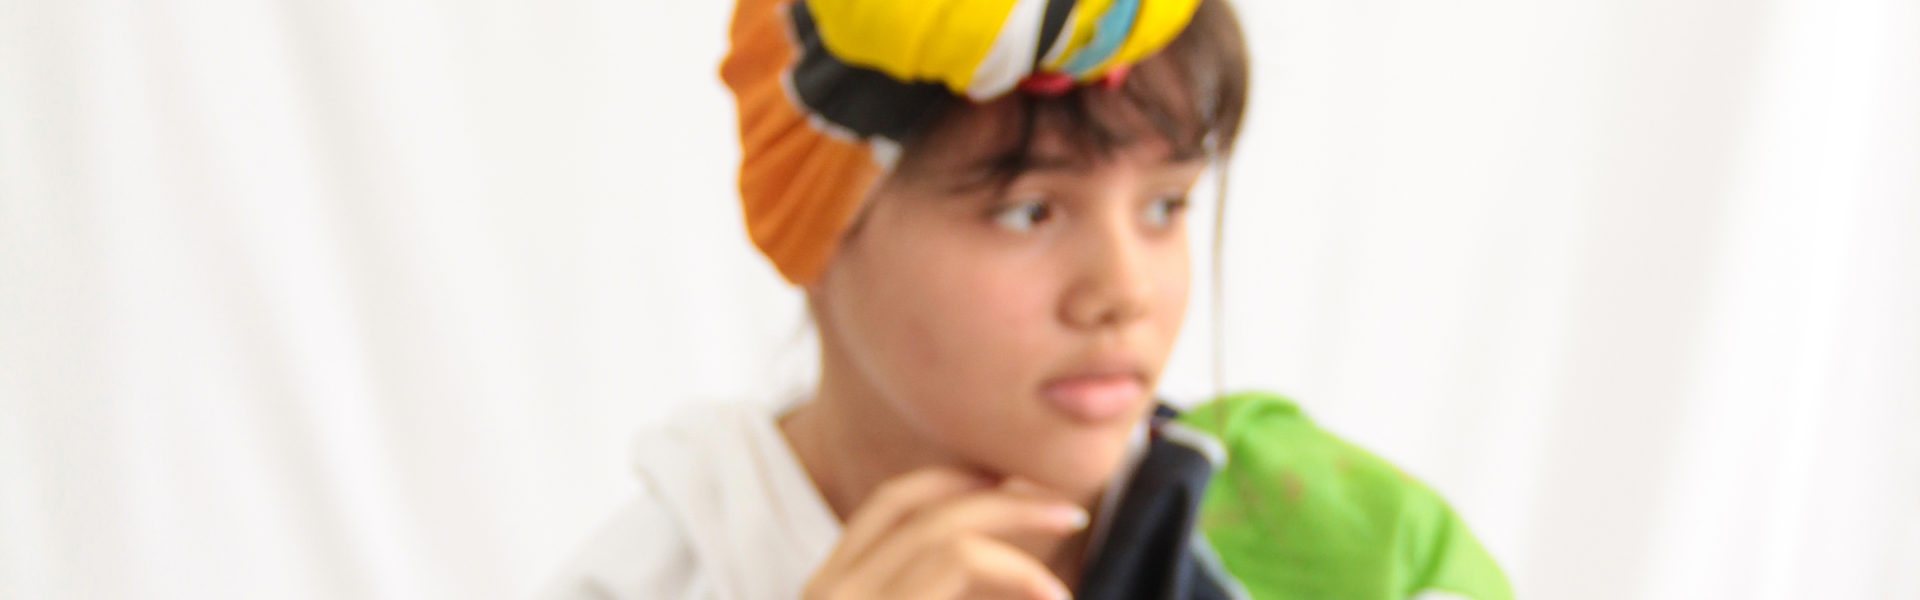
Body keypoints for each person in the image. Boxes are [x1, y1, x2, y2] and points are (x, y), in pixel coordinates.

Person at [540, 0, 1511, 598]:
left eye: (1166, 206)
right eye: (1029, 211)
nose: (1123, 293)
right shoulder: (644, 584)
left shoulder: (1341, 550)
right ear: (816, 229)